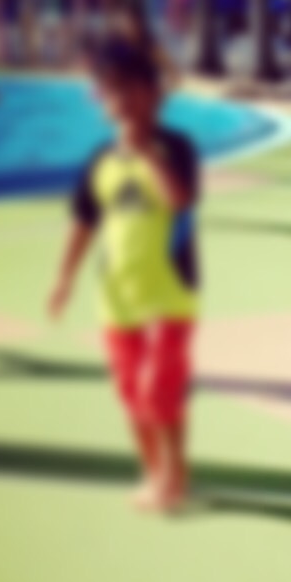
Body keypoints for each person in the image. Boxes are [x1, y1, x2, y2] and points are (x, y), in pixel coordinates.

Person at [47, 37, 200, 512]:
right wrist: (65, 279)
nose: (123, 100)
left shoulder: (176, 148)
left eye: (132, 88)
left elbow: (179, 199)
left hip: (171, 293)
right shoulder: (100, 160)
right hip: (116, 297)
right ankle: (156, 472)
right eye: (112, 90)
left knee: (160, 390)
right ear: (103, 100)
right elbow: (83, 223)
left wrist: (145, 154)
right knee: (133, 397)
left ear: (154, 93)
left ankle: (174, 473)